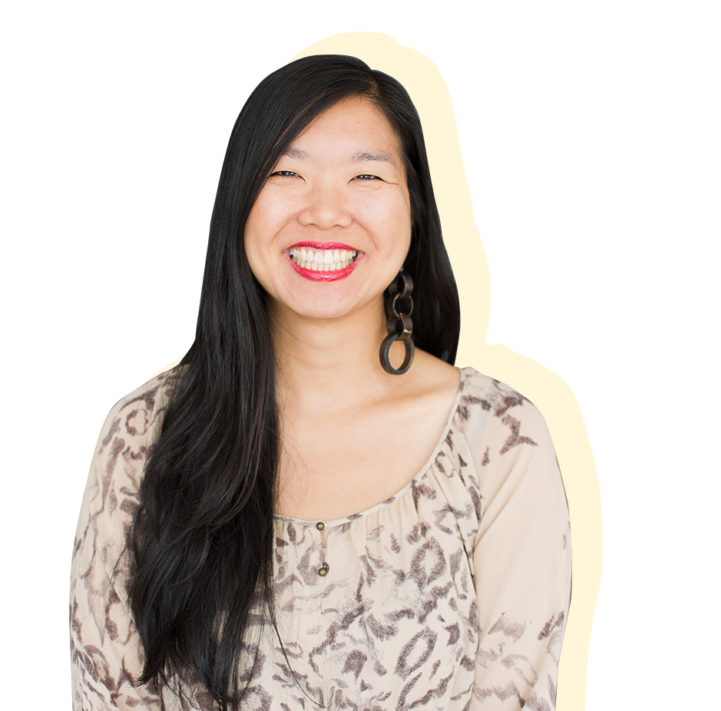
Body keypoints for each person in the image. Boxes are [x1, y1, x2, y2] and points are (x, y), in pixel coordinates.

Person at [69, 54, 572, 710]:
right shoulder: (145, 435)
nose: (326, 212)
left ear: (415, 207)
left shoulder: (496, 441)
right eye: (287, 172)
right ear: (238, 201)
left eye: (366, 175)